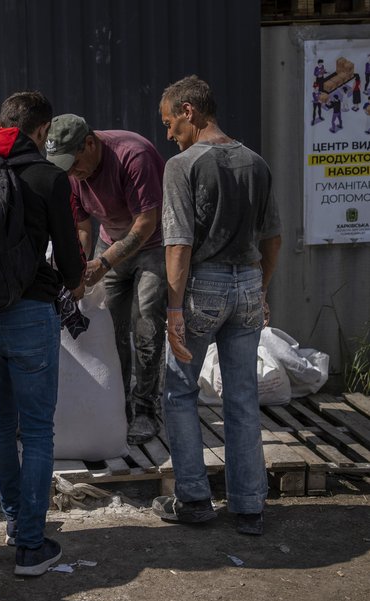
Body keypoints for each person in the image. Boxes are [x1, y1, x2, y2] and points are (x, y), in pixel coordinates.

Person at [0, 91, 84, 576]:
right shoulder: (50, 178)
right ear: (43, 132)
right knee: (35, 430)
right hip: (30, 314)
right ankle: (31, 546)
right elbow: (71, 263)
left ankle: (15, 520)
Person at [152, 75, 281, 536]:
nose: (168, 134)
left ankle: (194, 499)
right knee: (242, 398)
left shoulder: (181, 165)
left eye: (170, 122)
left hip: (201, 289)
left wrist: (172, 310)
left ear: (189, 111)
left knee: (180, 394)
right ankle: (249, 507)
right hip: (247, 284)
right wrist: (260, 288)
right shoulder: (257, 162)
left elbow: (178, 244)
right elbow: (273, 237)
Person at [45, 114, 167, 445]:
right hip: (109, 243)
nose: (72, 172)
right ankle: (119, 404)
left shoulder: (132, 155)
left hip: (153, 245)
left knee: (147, 324)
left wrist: (104, 263)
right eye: (64, 166)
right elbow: (83, 227)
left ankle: (145, 409)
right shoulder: (71, 172)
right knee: (110, 326)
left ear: (90, 143)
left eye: (74, 162)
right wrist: (80, 267)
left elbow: (146, 223)